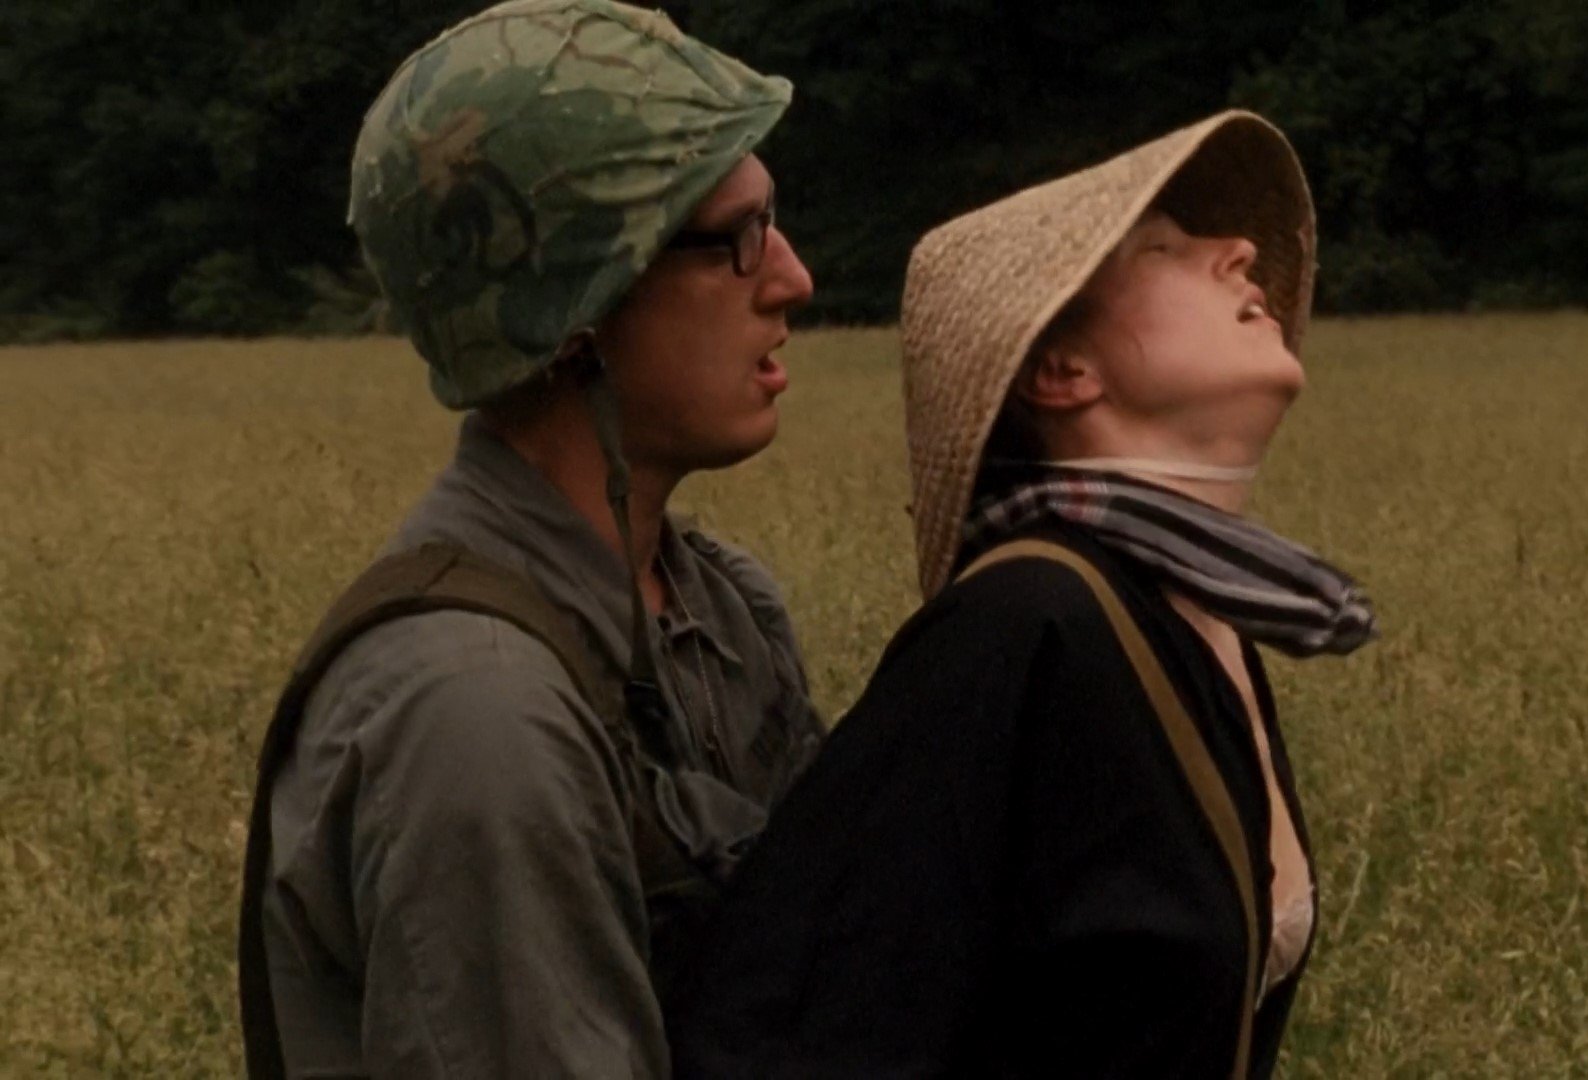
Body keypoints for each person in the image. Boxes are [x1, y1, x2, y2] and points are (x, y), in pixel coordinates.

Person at [667, 110, 1377, 1078]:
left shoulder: (1198, 612)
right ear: (1062, 371)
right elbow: (807, 1027)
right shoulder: (1022, 626)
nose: (1241, 251)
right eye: (1163, 248)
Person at [235, 2, 823, 1076]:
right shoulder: (477, 714)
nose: (791, 278)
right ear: (574, 312)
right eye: (732, 240)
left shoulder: (722, 606)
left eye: (773, 219)